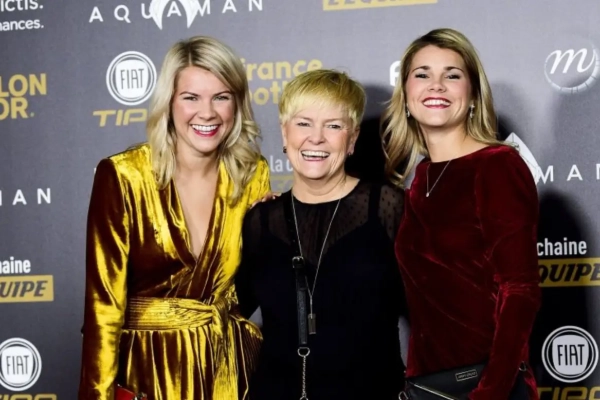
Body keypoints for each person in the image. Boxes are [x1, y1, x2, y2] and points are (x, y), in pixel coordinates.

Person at [78, 36, 270, 400]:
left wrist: (275, 231)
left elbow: (249, 293)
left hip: (227, 369)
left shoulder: (251, 174)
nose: (207, 113)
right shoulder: (123, 176)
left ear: (237, 103)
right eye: (191, 97)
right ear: (169, 102)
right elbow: (103, 308)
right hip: (149, 372)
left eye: (221, 97)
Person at [384, 28, 541, 399]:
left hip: (486, 385)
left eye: (452, 75)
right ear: (405, 95)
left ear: (472, 96)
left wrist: (492, 390)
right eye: (422, 74)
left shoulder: (497, 165)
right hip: (425, 385)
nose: (436, 85)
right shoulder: (421, 177)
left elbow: (520, 291)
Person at [235, 69, 406, 400]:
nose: (316, 138)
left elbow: (434, 309)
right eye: (303, 123)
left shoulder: (387, 207)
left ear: (353, 139)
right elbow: (226, 311)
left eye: (334, 126)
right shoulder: (261, 220)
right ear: (284, 133)